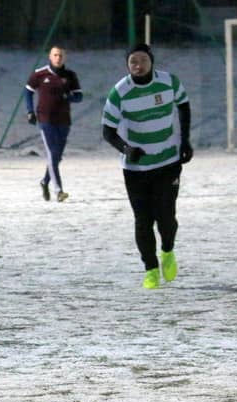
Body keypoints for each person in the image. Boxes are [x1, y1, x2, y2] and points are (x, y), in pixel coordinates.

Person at [101, 43, 192, 289]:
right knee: (143, 220)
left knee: (166, 218)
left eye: (143, 60)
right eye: (133, 62)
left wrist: (185, 140)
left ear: (152, 62)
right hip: (136, 168)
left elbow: (183, 105)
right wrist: (126, 149)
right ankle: (150, 269)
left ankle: (168, 251)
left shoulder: (169, 82)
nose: (138, 66)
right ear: (127, 65)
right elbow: (107, 131)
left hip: (168, 161)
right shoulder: (120, 92)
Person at [25, 45, 83, 202]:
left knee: (56, 157)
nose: (58, 58)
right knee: (52, 154)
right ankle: (59, 191)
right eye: (55, 55)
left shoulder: (70, 75)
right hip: (45, 120)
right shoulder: (39, 74)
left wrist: (69, 97)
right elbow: (28, 91)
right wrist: (30, 111)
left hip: (64, 121)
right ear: (50, 57)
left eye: (61, 55)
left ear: (65, 57)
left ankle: (45, 182)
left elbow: (79, 96)